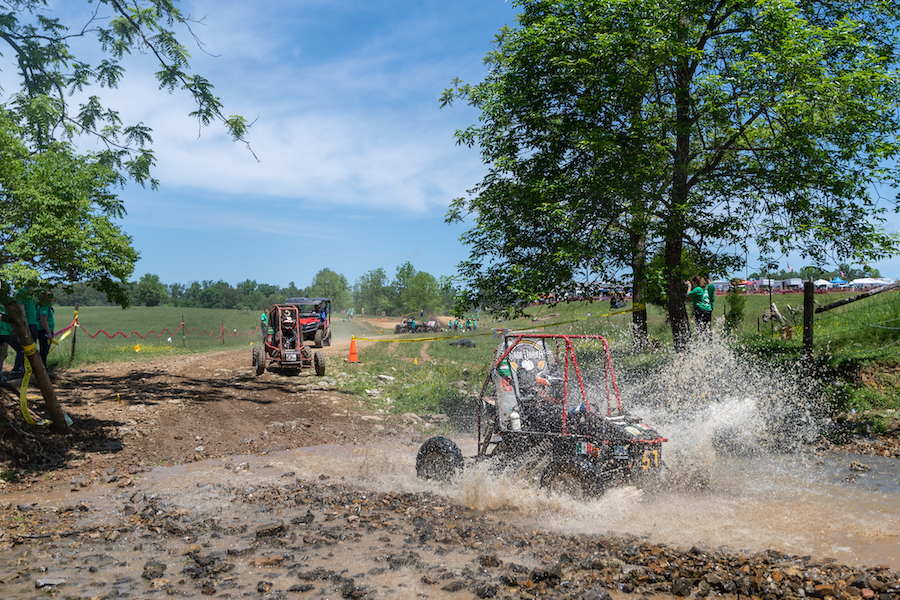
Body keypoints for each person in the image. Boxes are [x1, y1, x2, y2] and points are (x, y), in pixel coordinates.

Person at [12, 287, 37, 376]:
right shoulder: (22, 293)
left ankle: (31, 367)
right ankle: (20, 368)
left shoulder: (31, 294)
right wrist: (25, 324)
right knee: (25, 347)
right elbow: (21, 308)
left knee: (32, 347)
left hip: (33, 323)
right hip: (27, 324)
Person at [0, 304, 23, 381]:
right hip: (7, 333)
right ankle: (16, 370)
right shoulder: (9, 307)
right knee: (21, 350)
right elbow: (14, 321)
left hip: (3, 333)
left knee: (3, 354)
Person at [36, 290, 55, 366]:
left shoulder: (47, 305)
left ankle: (42, 367)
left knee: (45, 351)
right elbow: (43, 320)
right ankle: (42, 369)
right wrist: (49, 332)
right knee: (44, 351)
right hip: (43, 331)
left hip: (46, 331)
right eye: (48, 295)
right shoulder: (44, 305)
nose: (50, 297)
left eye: (51, 295)